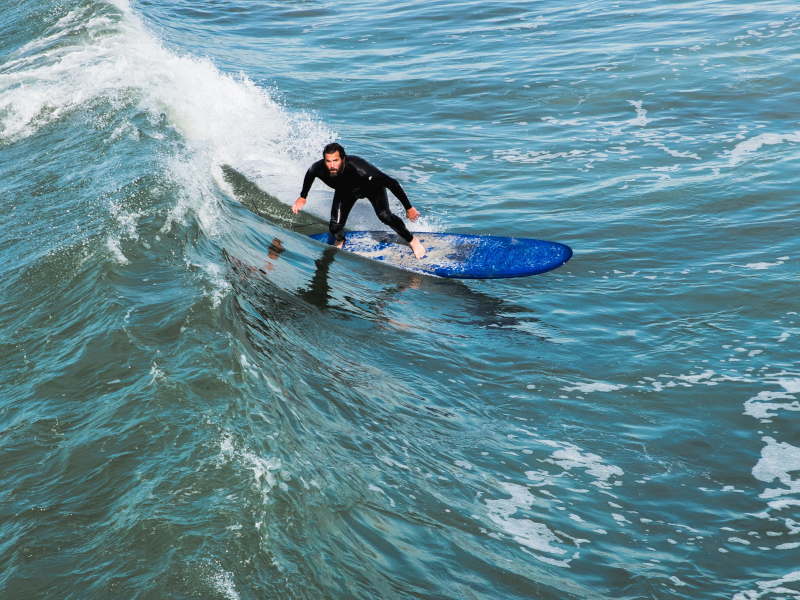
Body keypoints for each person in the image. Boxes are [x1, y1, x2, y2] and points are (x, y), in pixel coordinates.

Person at [292, 143, 426, 259]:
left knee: (384, 216)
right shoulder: (319, 168)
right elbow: (310, 174)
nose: (332, 165)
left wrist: (408, 208)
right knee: (334, 227)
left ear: (343, 159)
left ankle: (412, 240)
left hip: (372, 189)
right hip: (345, 192)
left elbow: (392, 183)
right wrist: (303, 197)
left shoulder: (362, 170)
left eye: (336, 160)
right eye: (328, 161)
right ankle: (340, 240)